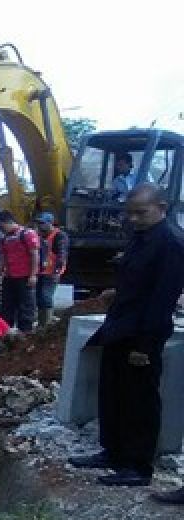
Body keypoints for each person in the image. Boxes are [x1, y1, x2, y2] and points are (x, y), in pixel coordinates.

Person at [68, 184, 184, 487]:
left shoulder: (170, 243)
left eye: (140, 213)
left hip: (142, 333)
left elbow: (162, 299)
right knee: (113, 393)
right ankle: (114, 452)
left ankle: (138, 465)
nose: (133, 218)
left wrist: (145, 345)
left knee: (139, 400)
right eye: (129, 213)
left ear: (162, 207)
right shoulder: (139, 238)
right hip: (119, 327)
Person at [0, 209, 39, 332]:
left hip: (25, 277)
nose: (0, 230)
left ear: (7, 222)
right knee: (7, 308)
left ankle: (25, 334)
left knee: (26, 308)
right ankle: (6, 333)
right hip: (9, 277)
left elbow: (34, 255)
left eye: (0, 226)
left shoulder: (27, 234)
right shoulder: (4, 239)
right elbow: (1, 259)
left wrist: (33, 275)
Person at [34, 211, 69, 328]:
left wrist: (57, 271)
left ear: (50, 223)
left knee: (46, 296)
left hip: (51, 272)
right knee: (39, 297)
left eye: (42, 223)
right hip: (40, 272)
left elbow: (62, 254)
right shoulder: (40, 236)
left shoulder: (59, 236)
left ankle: (47, 323)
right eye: (39, 224)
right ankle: (41, 323)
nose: (40, 226)